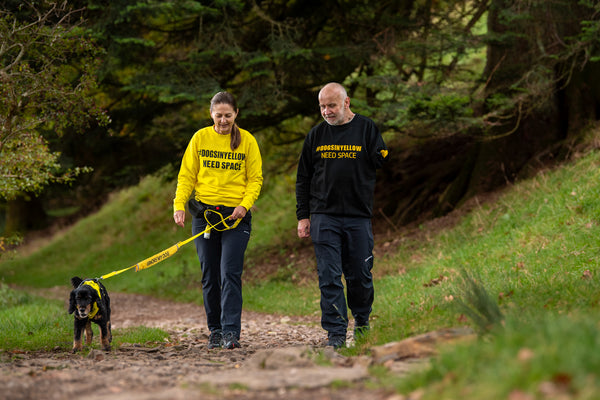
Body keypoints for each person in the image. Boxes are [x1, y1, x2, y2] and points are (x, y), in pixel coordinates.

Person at [296, 82, 388, 349]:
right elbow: (303, 178)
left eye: (331, 105)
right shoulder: (315, 135)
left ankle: (361, 321)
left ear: (346, 103)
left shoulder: (366, 128)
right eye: (322, 106)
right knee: (329, 275)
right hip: (324, 216)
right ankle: (335, 334)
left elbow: (381, 157)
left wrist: (379, 153)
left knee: (360, 273)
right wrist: (304, 216)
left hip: (358, 215)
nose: (326, 111)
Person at [173, 91, 263, 350]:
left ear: (236, 114)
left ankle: (231, 333)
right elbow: (187, 175)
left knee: (230, 273)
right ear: (211, 114)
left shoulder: (247, 141)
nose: (223, 120)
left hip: (236, 217)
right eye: (218, 115)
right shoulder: (200, 138)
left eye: (228, 115)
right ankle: (215, 330)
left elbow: (255, 178)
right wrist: (179, 205)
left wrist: (244, 206)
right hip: (205, 217)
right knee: (210, 275)